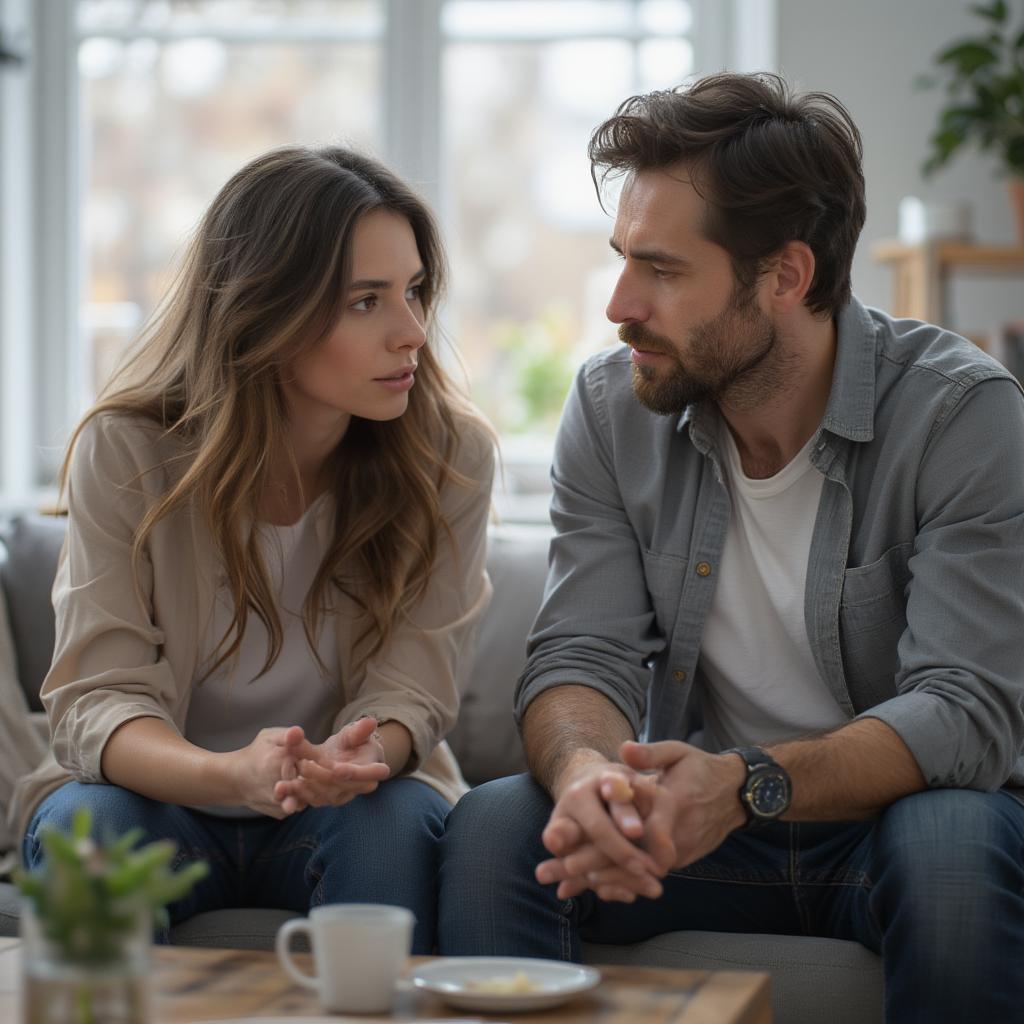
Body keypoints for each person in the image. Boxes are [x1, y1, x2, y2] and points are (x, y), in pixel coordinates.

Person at [439, 72, 1024, 1021]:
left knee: (955, 841)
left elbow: (965, 709)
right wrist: (590, 773)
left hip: (885, 827)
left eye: (662, 271)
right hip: (695, 832)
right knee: (500, 823)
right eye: (622, 259)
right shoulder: (609, 408)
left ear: (786, 277)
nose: (619, 304)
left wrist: (747, 783)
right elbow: (578, 655)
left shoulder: (962, 414)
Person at [12, 145, 494, 954]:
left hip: (347, 808)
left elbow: (416, 689)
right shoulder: (127, 450)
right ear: (265, 311)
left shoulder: (450, 459)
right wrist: (232, 775)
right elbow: (97, 702)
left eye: (413, 292)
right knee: (88, 830)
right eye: (366, 301)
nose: (412, 331)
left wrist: (349, 759)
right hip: (156, 801)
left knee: (393, 823)